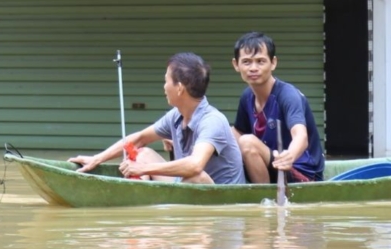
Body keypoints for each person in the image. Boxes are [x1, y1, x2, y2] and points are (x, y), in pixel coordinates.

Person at [69, 53, 246, 185]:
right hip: (185, 186)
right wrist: (97, 159)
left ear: (179, 89)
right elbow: (139, 139)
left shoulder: (212, 120)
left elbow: (194, 166)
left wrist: (143, 169)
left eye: (166, 81)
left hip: (216, 199)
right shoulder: (176, 115)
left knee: (195, 177)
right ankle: (141, 201)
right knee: (142, 153)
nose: (164, 87)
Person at [230, 32, 325, 183]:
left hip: (300, 172)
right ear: (236, 65)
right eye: (247, 62)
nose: (253, 68)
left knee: (247, 142)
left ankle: (264, 201)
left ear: (273, 63)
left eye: (260, 61)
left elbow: (301, 136)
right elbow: (237, 132)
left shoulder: (288, 95)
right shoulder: (247, 96)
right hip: (271, 166)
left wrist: (290, 156)